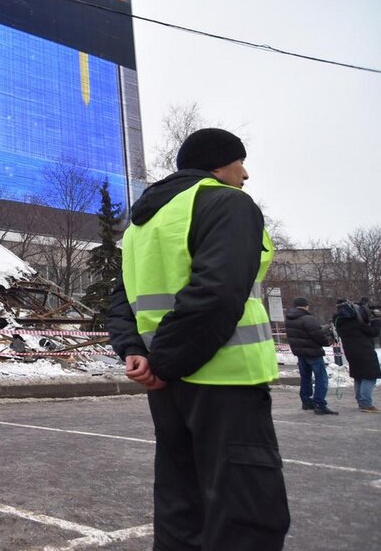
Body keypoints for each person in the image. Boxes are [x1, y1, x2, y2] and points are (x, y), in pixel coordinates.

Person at [107, 128, 290, 550]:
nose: (245, 174)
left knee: (180, 504)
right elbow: (217, 293)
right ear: (216, 165)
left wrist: (138, 352)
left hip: (168, 387)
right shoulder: (227, 204)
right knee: (246, 510)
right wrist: (165, 363)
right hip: (224, 380)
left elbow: (122, 299)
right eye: (239, 162)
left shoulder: (142, 224)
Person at [284, 297, 337, 414]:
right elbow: (318, 335)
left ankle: (306, 401)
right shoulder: (308, 318)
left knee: (306, 377)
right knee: (321, 378)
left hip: (300, 352)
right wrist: (327, 341)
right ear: (306, 306)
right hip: (313, 352)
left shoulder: (289, 319)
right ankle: (319, 404)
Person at [333, 297, 381, 412]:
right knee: (370, 376)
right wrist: (377, 321)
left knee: (359, 376)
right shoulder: (356, 322)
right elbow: (373, 332)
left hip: (350, 351)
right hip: (364, 350)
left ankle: (361, 402)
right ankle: (366, 404)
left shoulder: (339, 322)